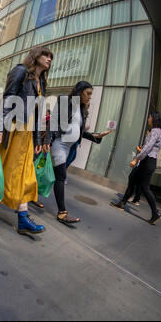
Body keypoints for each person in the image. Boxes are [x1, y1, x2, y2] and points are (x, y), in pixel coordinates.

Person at [0, 47, 53, 235]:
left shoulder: (41, 82)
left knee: (25, 174)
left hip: (25, 134)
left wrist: (37, 141)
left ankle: (23, 218)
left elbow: (35, 113)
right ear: (36, 57)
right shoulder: (21, 71)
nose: (49, 59)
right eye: (46, 55)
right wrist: (0, 128)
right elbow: (8, 99)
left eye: (51, 57)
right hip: (10, 129)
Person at [50, 81, 112, 224]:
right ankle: (62, 213)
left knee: (49, 175)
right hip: (58, 144)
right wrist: (48, 141)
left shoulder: (82, 108)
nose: (90, 97)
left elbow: (81, 132)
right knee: (60, 177)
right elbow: (54, 122)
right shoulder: (66, 102)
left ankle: (29, 195)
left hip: (67, 148)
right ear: (79, 91)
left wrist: (96, 137)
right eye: (88, 93)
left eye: (91, 94)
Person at [110, 112, 161, 225]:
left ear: (154, 118)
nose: (148, 119)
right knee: (133, 178)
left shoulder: (155, 131)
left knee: (145, 187)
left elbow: (148, 147)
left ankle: (155, 212)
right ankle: (123, 202)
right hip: (147, 161)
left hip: (147, 162)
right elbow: (150, 147)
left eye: (149, 117)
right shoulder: (157, 131)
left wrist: (136, 159)